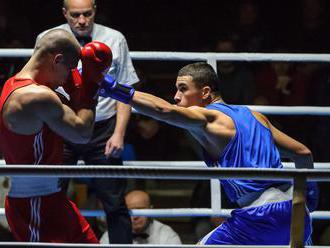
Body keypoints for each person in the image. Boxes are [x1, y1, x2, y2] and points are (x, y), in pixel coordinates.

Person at [97, 61, 317, 245]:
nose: (176, 96)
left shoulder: (211, 118)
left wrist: (115, 89)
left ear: (205, 93)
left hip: (260, 215)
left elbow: (164, 110)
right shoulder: (256, 117)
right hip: (296, 209)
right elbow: (302, 152)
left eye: (183, 88)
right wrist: (308, 196)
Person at [36, 0, 139, 243]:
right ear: (64, 13)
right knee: (50, 194)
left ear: (95, 10)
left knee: (114, 202)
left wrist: (119, 133)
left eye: (87, 14)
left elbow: (125, 89)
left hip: (103, 128)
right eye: (75, 15)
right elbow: (38, 85)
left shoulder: (115, 38)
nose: (82, 20)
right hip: (62, 124)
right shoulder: (48, 38)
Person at [0, 29, 112, 243]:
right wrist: (90, 86)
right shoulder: (36, 96)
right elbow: (82, 133)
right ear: (57, 59)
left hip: (52, 198)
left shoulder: (17, 85)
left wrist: (79, 86)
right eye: (69, 70)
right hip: (35, 204)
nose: (67, 79)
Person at [100, 190, 182, 245]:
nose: (135, 217)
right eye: (130, 211)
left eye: (140, 210)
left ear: (151, 210)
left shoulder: (166, 234)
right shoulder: (111, 234)